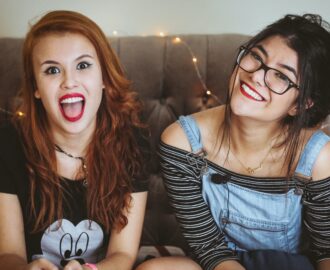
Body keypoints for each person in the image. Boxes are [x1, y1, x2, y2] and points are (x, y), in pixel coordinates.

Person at [136, 14, 330, 270]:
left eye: (282, 77)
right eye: (256, 57)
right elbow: (208, 248)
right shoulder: (182, 142)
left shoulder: (317, 157)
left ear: (300, 104)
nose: (257, 76)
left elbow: (325, 251)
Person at [0, 10, 149, 270]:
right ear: (35, 86)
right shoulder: (8, 144)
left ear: (103, 76)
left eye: (82, 65)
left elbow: (122, 254)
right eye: (52, 70)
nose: (69, 82)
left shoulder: (132, 142)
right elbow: (9, 255)